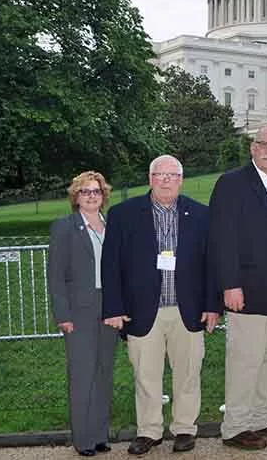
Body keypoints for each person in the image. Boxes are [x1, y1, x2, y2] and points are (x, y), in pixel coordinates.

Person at [102, 155, 219, 455]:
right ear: (150, 178)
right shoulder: (123, 214)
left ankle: (184, 429)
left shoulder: (201, 215)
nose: (166, 180)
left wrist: (212, 306)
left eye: (172, 175)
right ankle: (149, 431)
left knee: (189, 373)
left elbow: (211, 265)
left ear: (181, 179)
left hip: (188, 310)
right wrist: (113, 308)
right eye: (159, 175)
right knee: (146, 375)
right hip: (142, 309)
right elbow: (110, 265)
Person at [208, 125, 267, 450]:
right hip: (247, 286)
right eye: (264, 144)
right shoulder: (232, 183)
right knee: (245, 358)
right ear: (252, 147)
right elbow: (222, 237)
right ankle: (235, 426)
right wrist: (230, 284)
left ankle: (262, 417)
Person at [48, 171, 120, 457]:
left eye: (96, 191)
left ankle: (100, 435)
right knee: (82, 375)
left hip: (109, 309)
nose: (92, 196)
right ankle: (84, 439)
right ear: (75, 197)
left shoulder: (111, 225)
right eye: (85, 192)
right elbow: (56, 277)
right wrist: (63, 315)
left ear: (104, 196)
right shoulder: (64, 227)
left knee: (104, 373)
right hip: (79, 312)